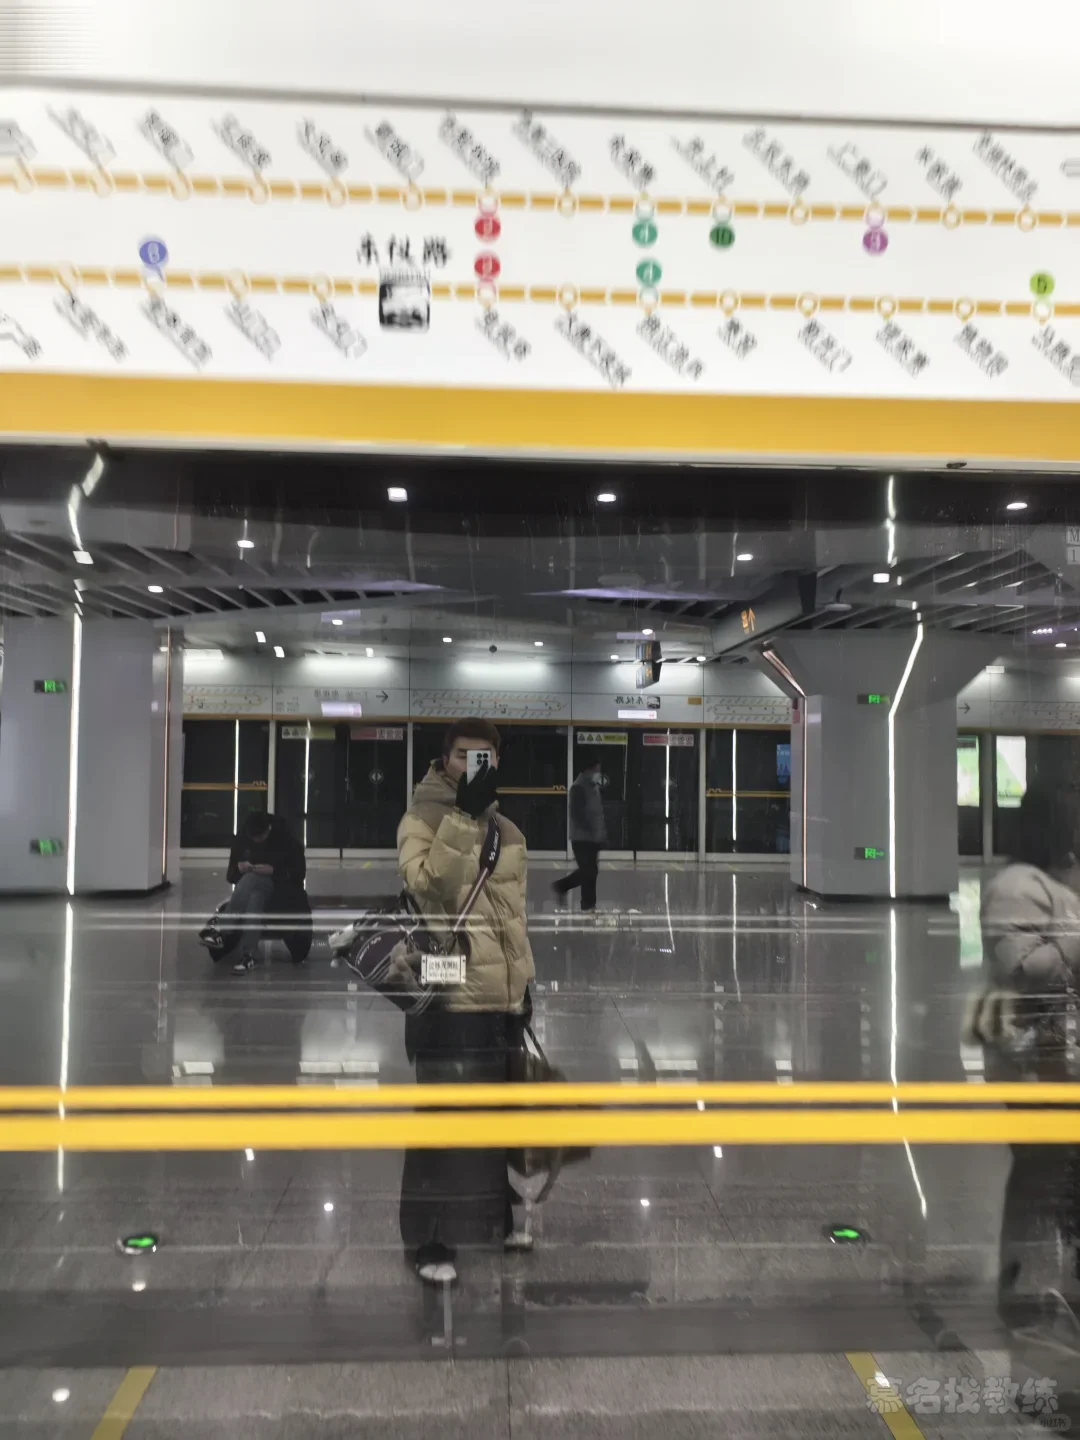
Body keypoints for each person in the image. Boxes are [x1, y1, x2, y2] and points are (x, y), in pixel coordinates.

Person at [396, 719, 535, 1285]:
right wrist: (462, 817)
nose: (471, 765)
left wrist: (522, 987)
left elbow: (512, 920)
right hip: (449, 994)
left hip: (502, 997)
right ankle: (428, 1238)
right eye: (461, 755)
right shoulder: (422, 819)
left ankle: (494, 1217)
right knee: (443, 1121)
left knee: (498, 1116)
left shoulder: (509, 830)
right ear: (444, 760)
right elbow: (428, 885)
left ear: (496, 761)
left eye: (483, 757)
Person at [973, 782, 1080, 1329]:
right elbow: (1022, 967)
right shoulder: (1017, 887)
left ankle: (1038, 1283)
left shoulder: (1052, 882)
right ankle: (1021, 1287)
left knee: (1056, 1172)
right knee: (1042, 1171)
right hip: (1035, 1063)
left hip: (1057, 1059)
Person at [223, 810, 307, 975]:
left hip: (280, 890)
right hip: (252, 893)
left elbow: (298, 875)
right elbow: (230, 876)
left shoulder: (287, 841)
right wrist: (240, 869)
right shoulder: (243, 841)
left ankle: (224, 928)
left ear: (269, 829)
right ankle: (248, 955)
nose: (257, 842)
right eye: (254, 839)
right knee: (255, 896)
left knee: (253, 880)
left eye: (260, 838)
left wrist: (274, 871)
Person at [553, 756, 607, 912]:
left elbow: (596, 812)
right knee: (588, 871)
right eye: (596, 770)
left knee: (591, 871)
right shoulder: (579, 787)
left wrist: (600, 833)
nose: (598, 773)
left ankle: (588, 904)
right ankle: (562, 886)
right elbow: (578, 815)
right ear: (588, 770)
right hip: (581, 838)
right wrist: (591, 829)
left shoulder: (592, 786)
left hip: (592, 837)